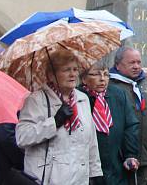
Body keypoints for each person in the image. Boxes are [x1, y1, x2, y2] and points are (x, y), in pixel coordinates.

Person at [16, 49, 103, 184]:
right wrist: (55, 122)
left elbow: (91, 141)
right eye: (66, 70)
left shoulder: (83, 99)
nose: (73, 74)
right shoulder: (36, 100)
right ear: (51, 75)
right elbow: (22, 137)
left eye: (75, 69)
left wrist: (95, 173)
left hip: (79, 179)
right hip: (48, 179)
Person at [109, 46, 147, 185]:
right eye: (131, 63)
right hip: (120, 160)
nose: (136, 66)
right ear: (118, 65)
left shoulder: (145, 85)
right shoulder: (111, 87)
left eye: (138, 62)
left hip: (146, 158)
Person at [80, 60, 140, 185]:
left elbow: (131, 125)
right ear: (84, 79)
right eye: (96, 74)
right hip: (88, 166)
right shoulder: (79, 98)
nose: (102, 79)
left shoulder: (118, 94)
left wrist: (130, 154)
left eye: (106, 74)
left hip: (116, 163)